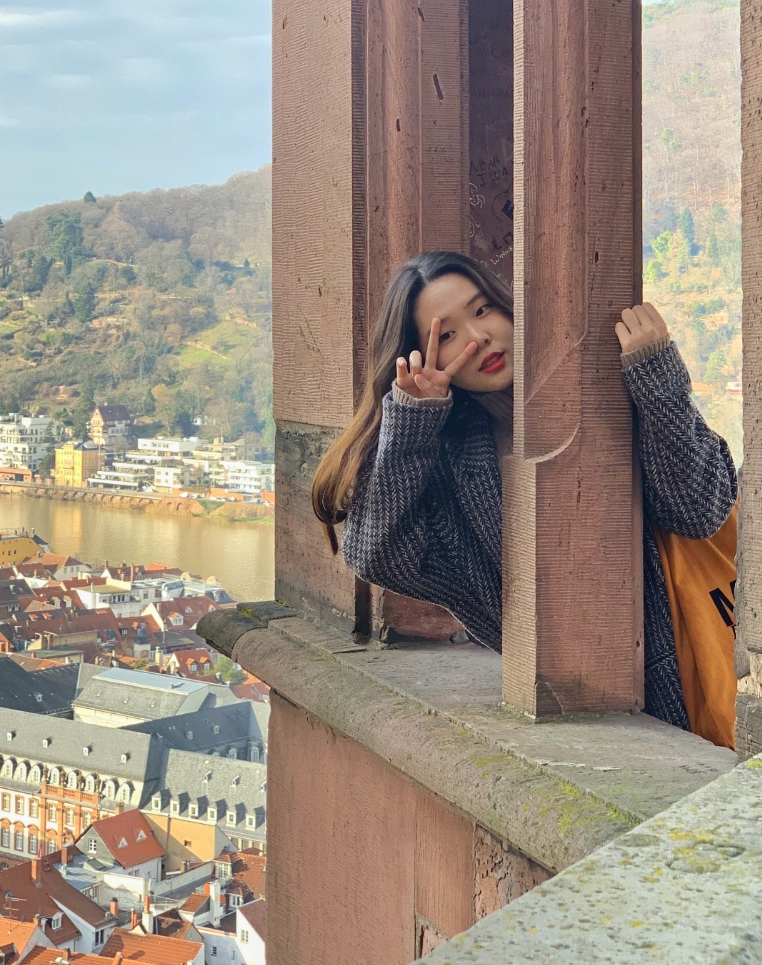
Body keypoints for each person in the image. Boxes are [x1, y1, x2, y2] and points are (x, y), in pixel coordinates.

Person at [312, 250, 737, 736]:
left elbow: (699, 510)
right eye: (446, 335)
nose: (478, 338)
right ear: (419, 354)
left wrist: (658, 378)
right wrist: (411, 425)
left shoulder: (600, 384)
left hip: (687, 671)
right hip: (566, 717)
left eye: (482, 310)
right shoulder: (448, 459)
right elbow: (376, 557)